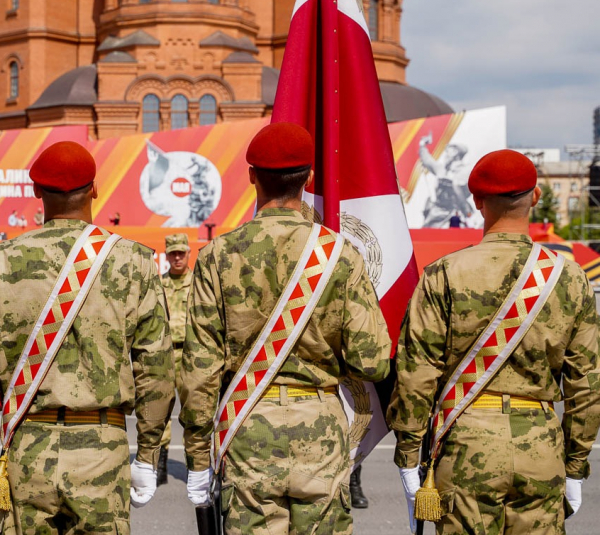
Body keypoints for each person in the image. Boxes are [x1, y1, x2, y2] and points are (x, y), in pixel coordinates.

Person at [179, 123, 391, 535]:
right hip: (322, 429)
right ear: (309, 178)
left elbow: (199, 371)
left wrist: (197, 459)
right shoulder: (341, 256)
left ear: (252, 175)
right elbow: (373, 361)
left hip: (247, 425)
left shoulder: (218, 255)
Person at [387, 149, 600, 535]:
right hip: (541, 445)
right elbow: (587, 384)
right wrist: (574, 467)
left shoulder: (444, 274)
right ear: (536, 197)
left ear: (477, 202)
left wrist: (408, 455)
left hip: (466, 442)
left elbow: (416, 373)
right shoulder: (569, 277)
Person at [0, 141, 174, 534]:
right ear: (94, 189)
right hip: (103, 446)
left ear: (35, 192)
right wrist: (148, 454)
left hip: (26, 448)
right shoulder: (134, 260)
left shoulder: (3, 260)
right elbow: (156, 368)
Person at [157, 232, 192, 485]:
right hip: (166, 353)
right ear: (167, 255)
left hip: (191, 353)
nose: (177, 257)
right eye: (173, 253)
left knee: (194, 411)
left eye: (181, 252)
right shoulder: (159, 284)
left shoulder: (199, 283)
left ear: (189, 253)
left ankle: (196, 467)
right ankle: (160, 465)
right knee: (161, 410)